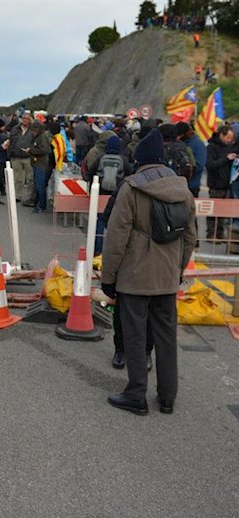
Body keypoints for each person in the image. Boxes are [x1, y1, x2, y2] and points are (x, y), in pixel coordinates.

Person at [101, 129, 196, 416]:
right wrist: (177, 269)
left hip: (135, 276)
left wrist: (108, 277)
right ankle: (167, 397)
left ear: (140, 161)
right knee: (166, 338)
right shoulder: (183, 190)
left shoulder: (131, 188)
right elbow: (190, 238)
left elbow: (116, 237)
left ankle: (136, 394)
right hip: (167, 278)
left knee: (134, 336)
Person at [205, 125, 238, 240]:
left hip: (227, 184)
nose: (230, 141)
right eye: (228, 138)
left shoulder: (230, 147)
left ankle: (220, 232)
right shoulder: (211, 147)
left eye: (232, 139)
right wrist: (226, 159)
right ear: (221, 135)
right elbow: (210, 164)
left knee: (224, 211)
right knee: (213, 210)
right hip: (215, 183)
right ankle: (211, 233)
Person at [10, 112, 35, 203]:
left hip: (29, 157)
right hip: (16, 157)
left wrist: (31, 149)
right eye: (23, 118)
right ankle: (17, 195)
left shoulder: (33, 130)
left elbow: (36, 142)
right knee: (18, 179)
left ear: (30, 120)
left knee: (30, 179)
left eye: (27, 118)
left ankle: (30, 196)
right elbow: (11, 140)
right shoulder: (15, 129)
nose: (25, 120)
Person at [28, 121, 52, 214]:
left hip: (41, 164)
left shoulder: (43, 136)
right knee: (38, 185)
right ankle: (39, 204)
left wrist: (31, 150)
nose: (32, 133)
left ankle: (41, 206)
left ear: (37, 129)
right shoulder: (39, 136)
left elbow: (44, 150)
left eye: (33, 131)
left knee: (40, 186)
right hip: (37, 163)